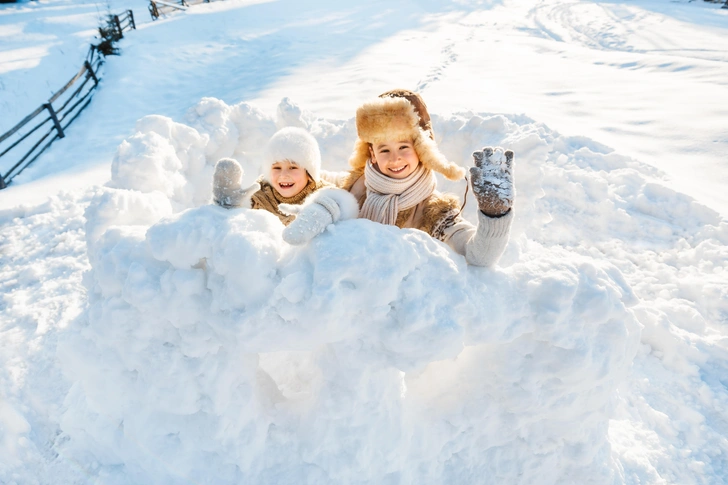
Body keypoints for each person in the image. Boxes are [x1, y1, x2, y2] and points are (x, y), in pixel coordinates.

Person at [319, 89, 514, 268]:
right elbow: (311, 181)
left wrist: (494, 215)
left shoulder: (433, 212)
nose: (395, 158)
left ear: (422, 150)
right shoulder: (355, 185)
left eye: (404, 147)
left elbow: (478, 256)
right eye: (384, 149)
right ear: (371, 153)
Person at [212, 126, 359, 243]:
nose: (283, 175)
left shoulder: (321, 193)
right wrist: (231, 206)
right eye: (276, 168)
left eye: (293, 167)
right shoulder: (261, 194)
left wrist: (323, 210)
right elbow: (235, 226)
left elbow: (342, 204)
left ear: (309, 172)